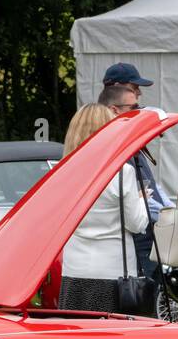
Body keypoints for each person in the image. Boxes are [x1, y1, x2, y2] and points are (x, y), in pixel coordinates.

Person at [57, 103, 148, 311]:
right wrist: (142, 200)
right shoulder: (122, 172)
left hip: (74, 268)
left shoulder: (62, 172)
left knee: (77, 334)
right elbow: (136, 224)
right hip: (113, 270)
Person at [97, 83, 170, 275]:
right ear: (114, 109)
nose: (138, 112)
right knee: (143, 296)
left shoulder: (127, 142)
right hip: (134, 237)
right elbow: (133, 209)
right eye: (133, 107)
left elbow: (150, 184)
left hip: (143, 231)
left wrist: (169, 210)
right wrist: (167, 216)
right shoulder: (113, 149)